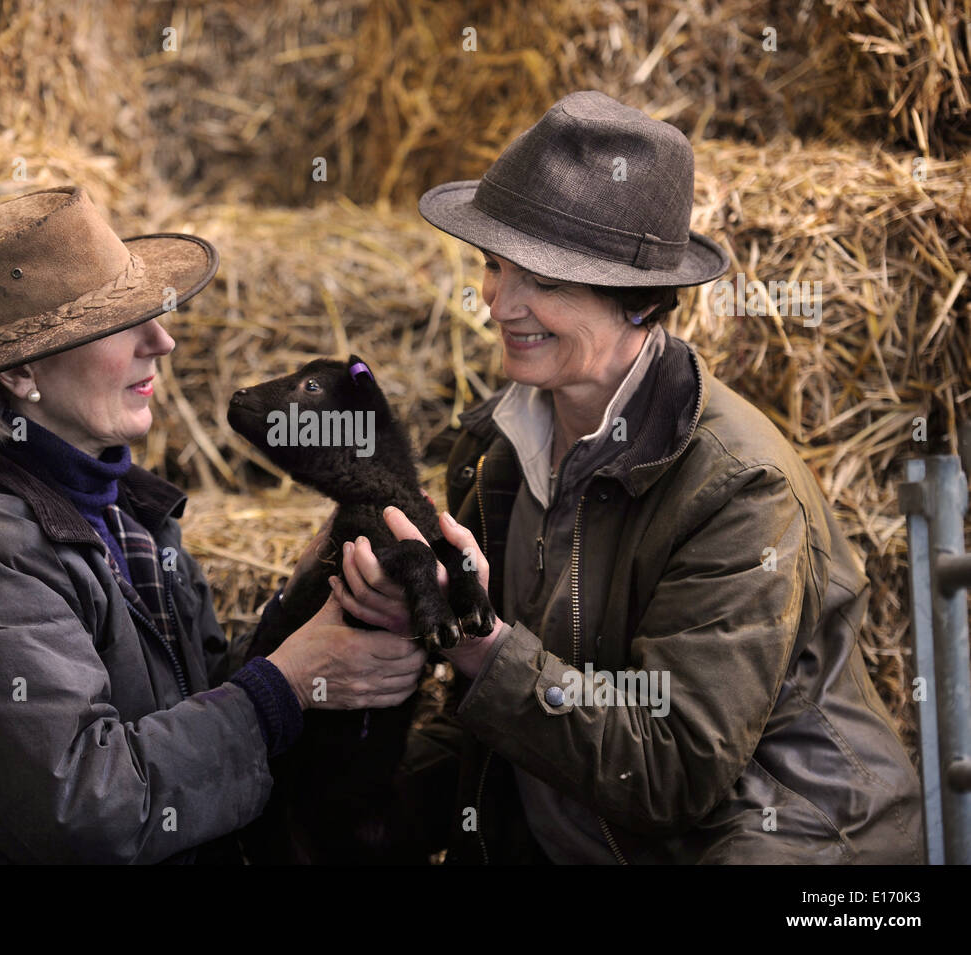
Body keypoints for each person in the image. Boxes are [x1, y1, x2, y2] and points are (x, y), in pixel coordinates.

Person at [330, 90, 924, 863]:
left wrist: (479, 643)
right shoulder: (494, 454)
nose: (499, 302)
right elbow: (507, 717)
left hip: (781, 840)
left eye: (543, 280)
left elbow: (676, 766)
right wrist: (346, 798)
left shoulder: (740, 487)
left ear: (639, 302)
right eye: (493, 266)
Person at [0, 185, 425, 863]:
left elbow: (187, 699)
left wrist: (299, 603)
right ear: (24, 372)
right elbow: (81, 808)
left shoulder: (125, 513)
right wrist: (287, 684)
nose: (163, 339)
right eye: (121, 325)